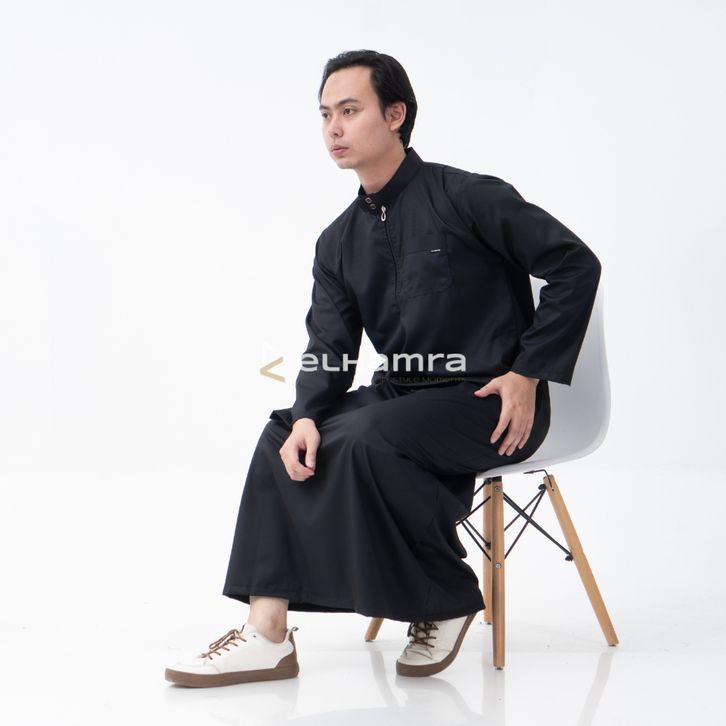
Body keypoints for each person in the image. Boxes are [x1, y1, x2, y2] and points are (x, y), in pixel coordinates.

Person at [165, 49, 602, 688]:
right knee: (283, 434)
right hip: (404, 395)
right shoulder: (338, 240)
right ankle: (267, 633)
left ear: (395, 115)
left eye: (349, 110)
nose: (333, 129)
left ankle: (446, 597)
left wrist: (528, 373)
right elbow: (329, 345)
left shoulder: (468, 196)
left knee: (371, 437)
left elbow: (575, 266)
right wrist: (308, 414)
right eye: (324, 115)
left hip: (492, 397)